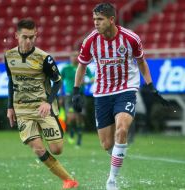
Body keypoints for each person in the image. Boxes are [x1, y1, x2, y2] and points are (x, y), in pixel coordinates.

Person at [72, 3, 169, 190]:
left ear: (111, 19)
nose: (96, 23)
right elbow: (82, 65)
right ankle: (118, 154)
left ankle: (112, 181)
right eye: (94, 20)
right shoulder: (91, 41)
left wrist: (151, 86)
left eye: (99, 20)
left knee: (122, 129)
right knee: (107, 144)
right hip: (102, 93)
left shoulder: (131, 38)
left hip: (126, 90)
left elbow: (141, 62)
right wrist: (76, 91)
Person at [5, 18, 78, 189]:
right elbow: (11, 81)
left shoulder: (44, 58)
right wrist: (10, 107)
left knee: (57, 149)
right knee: (37, 148)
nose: (28, 41)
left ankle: (48, 131)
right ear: (17, 36)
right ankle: (69, 180)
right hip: (22, 109)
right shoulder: (9, 57)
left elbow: (58, 82)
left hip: (43, 108)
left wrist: (48, 102)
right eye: (25, 37)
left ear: (36, 35)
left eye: (32, 37)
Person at [61, 51, 93, 147]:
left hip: (80, 95)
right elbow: (60, 81)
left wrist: (86, 82)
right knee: (71, 117)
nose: (74, 58)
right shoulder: (66, 68)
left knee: (79, 117)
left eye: (76, 56)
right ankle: (71, 132)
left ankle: (79, 139)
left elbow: (92, 78)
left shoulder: (83, 67)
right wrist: (61, 96)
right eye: (73, 56)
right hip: (69, 95)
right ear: (70, 58)